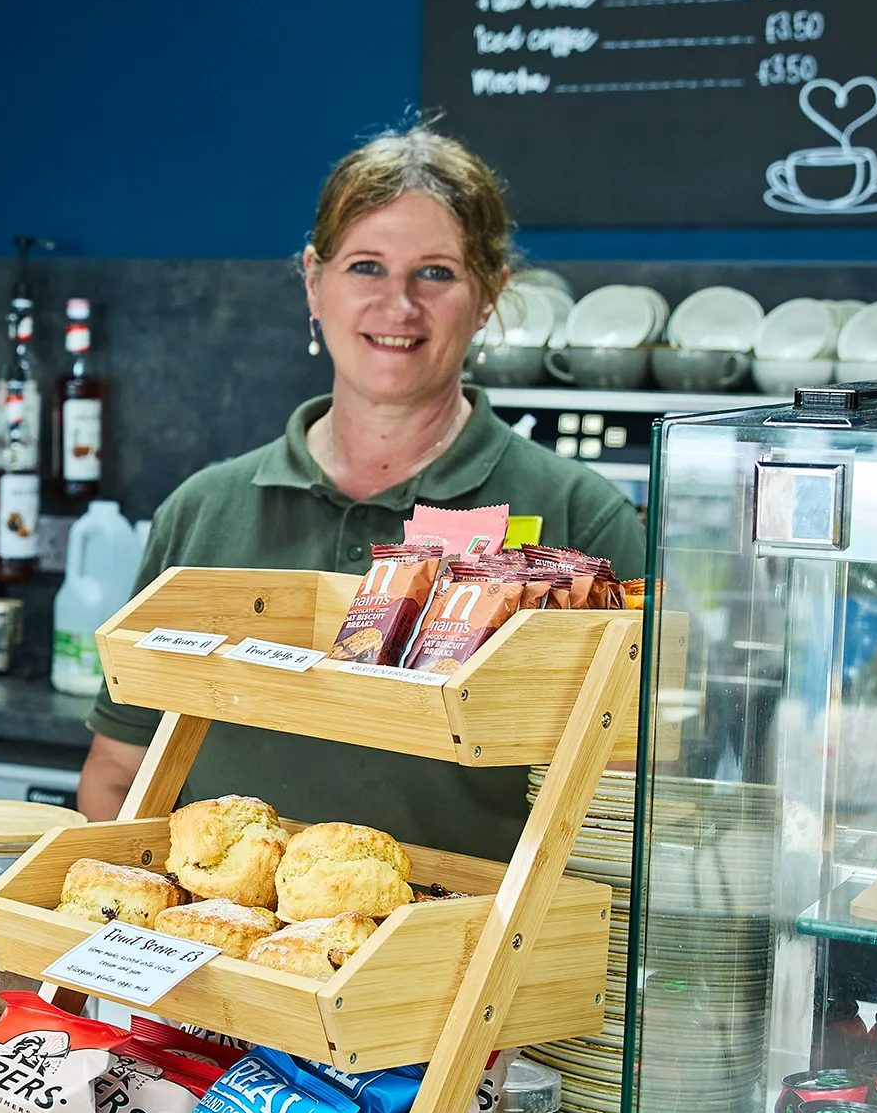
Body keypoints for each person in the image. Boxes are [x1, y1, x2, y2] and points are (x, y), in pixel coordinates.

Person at [76, 128, 644, 850]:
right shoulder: (203, 511)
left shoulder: (581, 519)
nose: (398, 304)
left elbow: (626, 805)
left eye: (435, 273)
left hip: (471, 953)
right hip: (227, 951)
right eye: (366, 266)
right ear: (314, 282)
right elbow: (118, 773)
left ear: (491, 294)